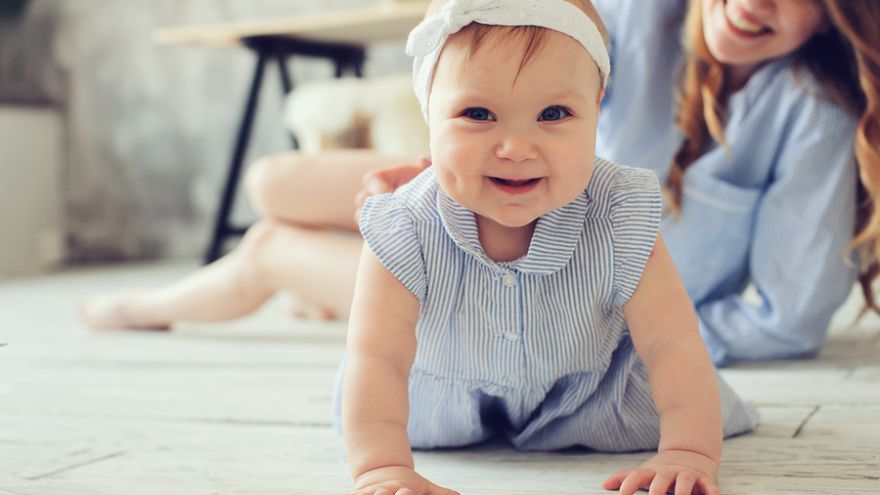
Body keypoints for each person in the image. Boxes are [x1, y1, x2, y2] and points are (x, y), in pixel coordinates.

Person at [79, 0, 880, 367]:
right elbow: (528, 105)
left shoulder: (813, 110)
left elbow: (788, 317)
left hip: (540, 292)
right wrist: (437, 170)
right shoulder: (641, 16)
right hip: (505, 197)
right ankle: (335, 285)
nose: (759, 2)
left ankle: (157, 306)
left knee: (269, 247)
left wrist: (627, 337)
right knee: (274, 179)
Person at [338, 2, 756, 495]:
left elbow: (672, 343)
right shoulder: (404, 222)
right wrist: (381, 468)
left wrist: (689, 451)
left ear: (597, 106)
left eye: (553, 114)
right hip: (441, 401)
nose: (516, 147)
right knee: (376, 392)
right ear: (429, 108)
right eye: (478, 113)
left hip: (595, 395)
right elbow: (377, 357)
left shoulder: (619, 211)